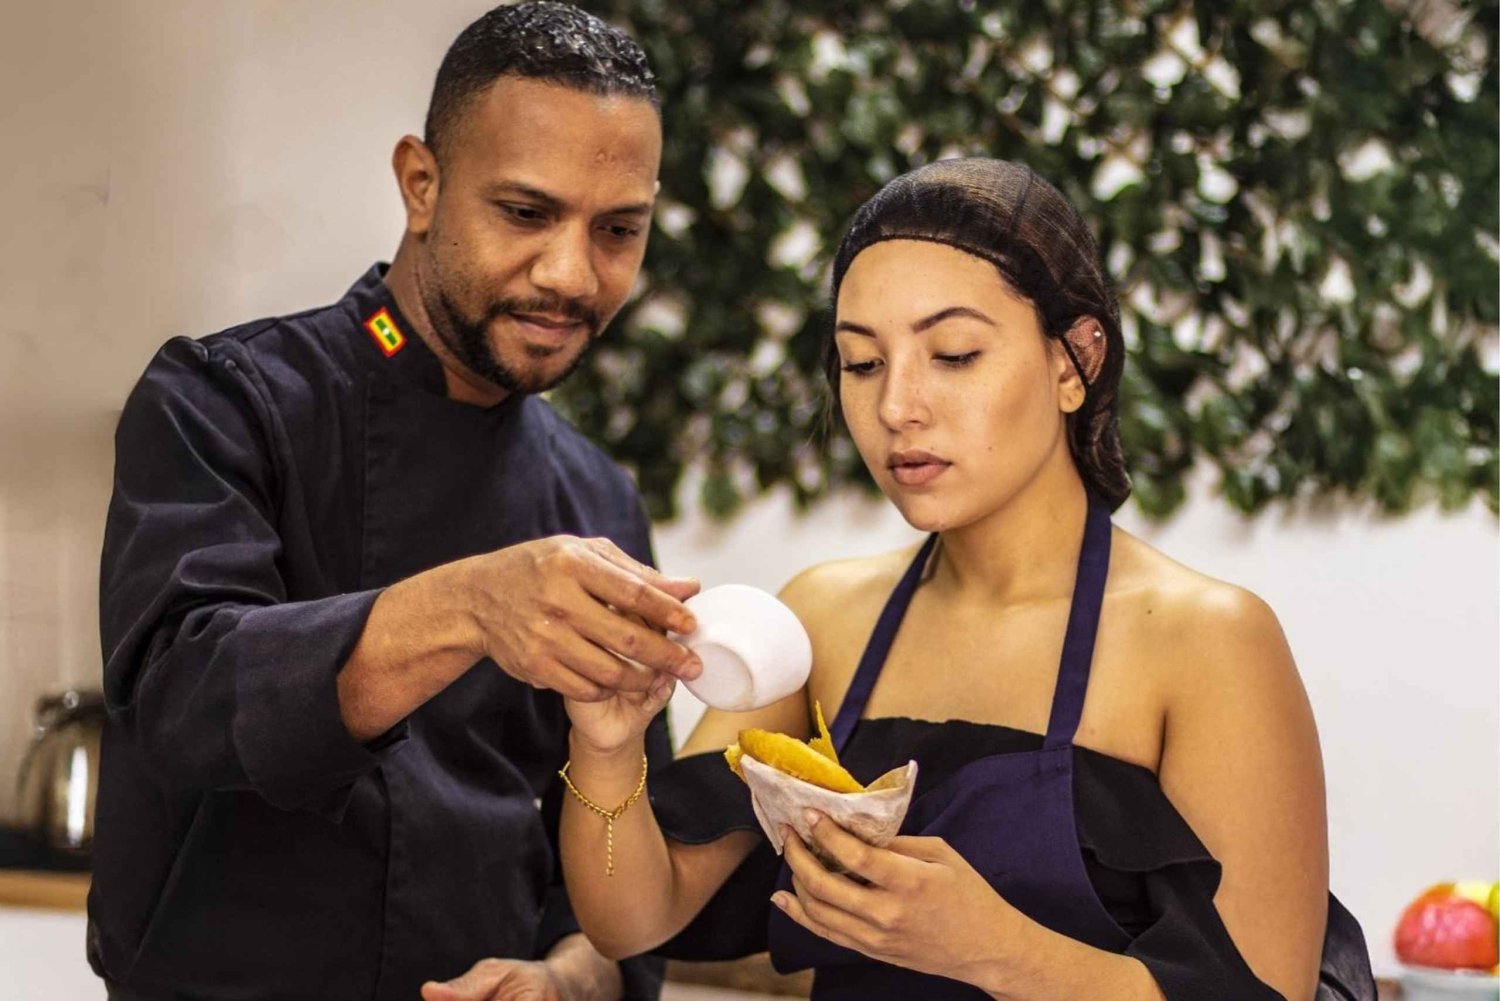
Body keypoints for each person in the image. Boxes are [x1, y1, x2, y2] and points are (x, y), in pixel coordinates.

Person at [555, 158, 1378, 1000]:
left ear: (1074, 361)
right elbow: (634, 918)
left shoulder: (1209, 639)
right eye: (862, 363)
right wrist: (608, 744)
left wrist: (998, 950)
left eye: (953, 353)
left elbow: (1267, 989)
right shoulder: (824, 616)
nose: (897, 407)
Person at [89, 4, 704, 1000]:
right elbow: (184, 698)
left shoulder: (597, 496)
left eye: (617, 230)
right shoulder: (223, 401)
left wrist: (571, 975)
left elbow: (618, 829)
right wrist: (466, 606)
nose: (570, 274)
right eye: (525, 212)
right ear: (421, 183)